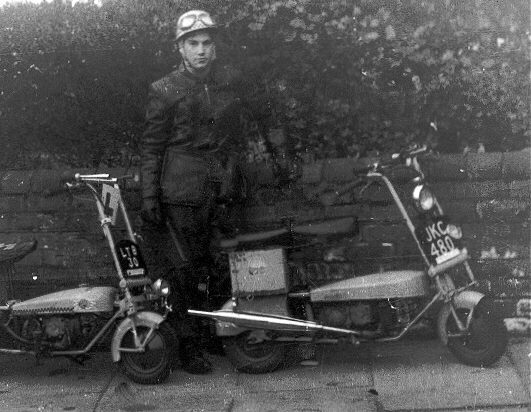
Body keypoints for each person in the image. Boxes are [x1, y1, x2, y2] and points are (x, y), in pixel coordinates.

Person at [140, 9, 247, 374]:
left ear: (214, 49)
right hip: (181, 192)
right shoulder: (164, 90)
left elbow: (234, 141)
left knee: (217, 267)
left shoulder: (227, 88)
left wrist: (231, 179)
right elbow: (152, 147)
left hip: (219, 190)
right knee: (183, 273)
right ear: (180, 49)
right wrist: (150, 197)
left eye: (206, 43)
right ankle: (188, 348)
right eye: (193, 43)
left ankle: (215, 336)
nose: (201, 50)